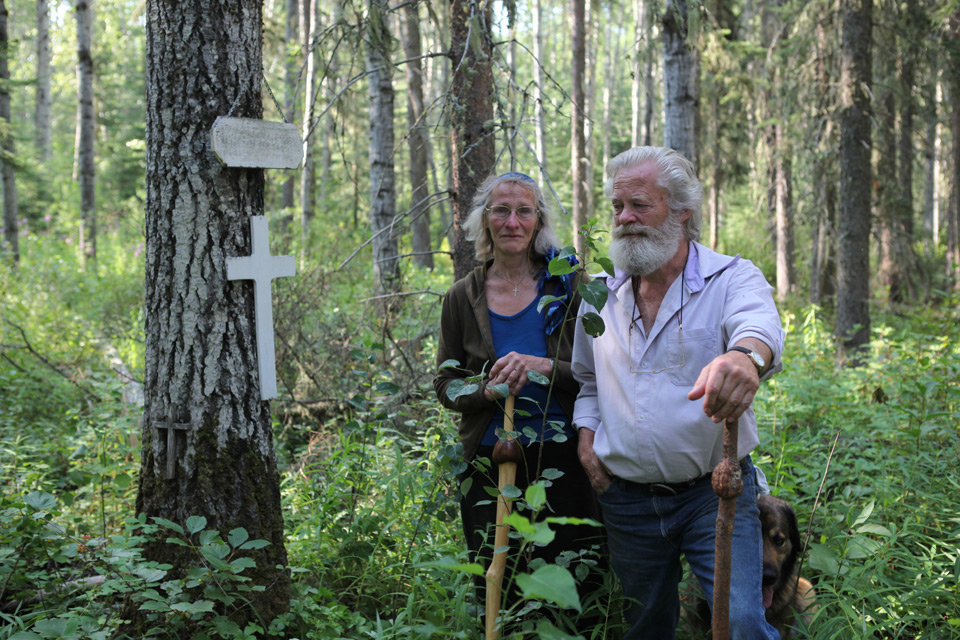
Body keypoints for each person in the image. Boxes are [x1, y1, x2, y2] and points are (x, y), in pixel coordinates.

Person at [571, 147, 785, 639]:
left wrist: (744, 359)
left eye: (639, 205)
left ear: (683, 209)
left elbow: (759, 329)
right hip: (624, 498)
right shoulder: (600, 292)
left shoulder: (730, 277)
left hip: (713, 493)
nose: (624, 219)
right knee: (643, 626)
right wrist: (587, 437)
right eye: (617, 207)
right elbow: (588, 379)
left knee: (743, 625)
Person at [434, 172, 604, 626]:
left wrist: (544, 366)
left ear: (538, 220)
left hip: (564, 454)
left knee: (572, 582)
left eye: (524, 211)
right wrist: (483, 390)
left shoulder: (566, 285)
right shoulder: (460, 297)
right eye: (501, 210)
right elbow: (445, 384)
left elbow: (603, 369)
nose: (512, 221)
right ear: (484, 221)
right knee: (499, 583)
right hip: (489, 461)